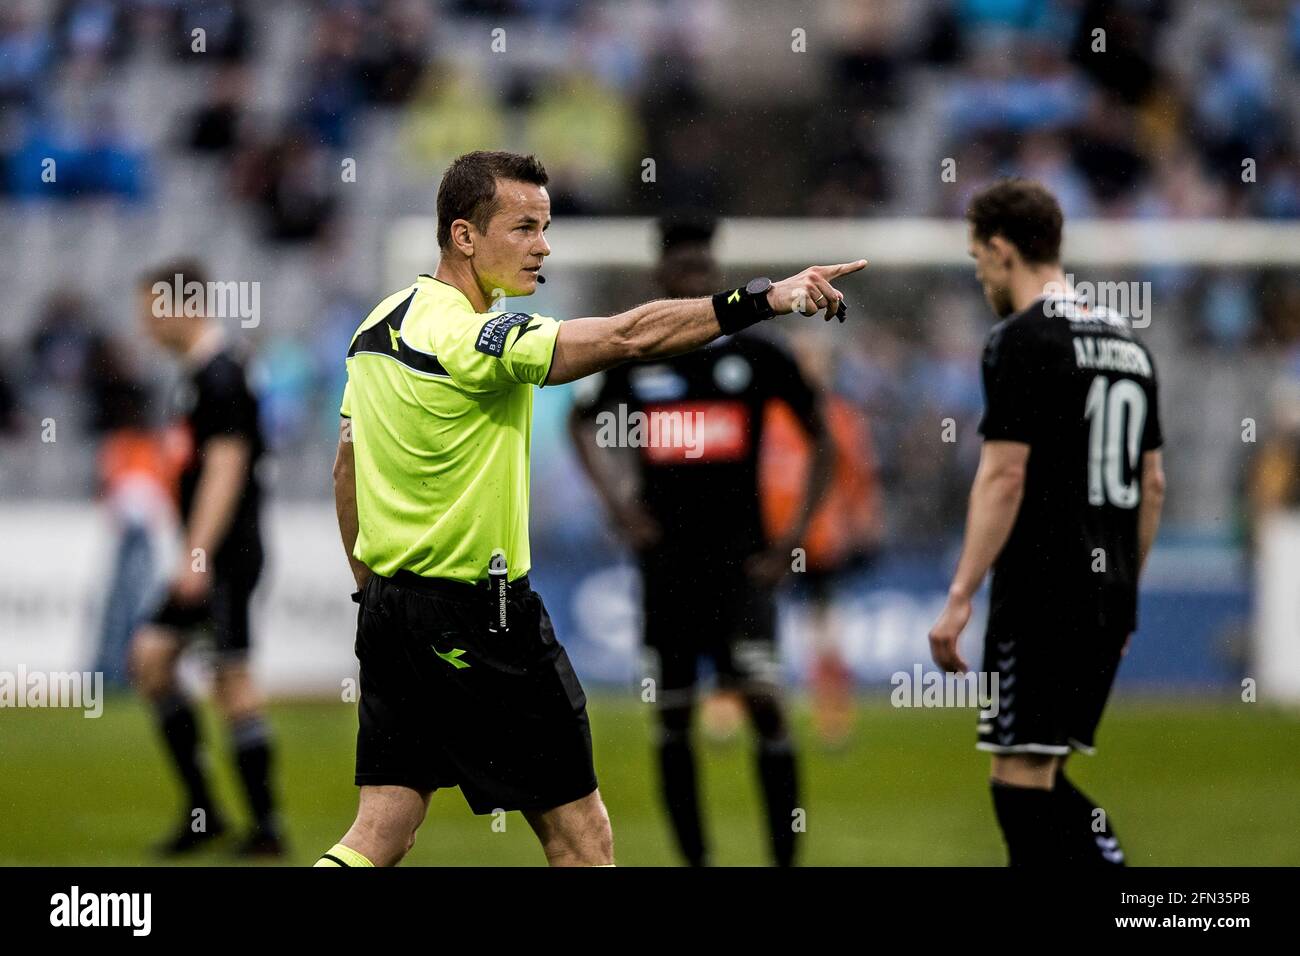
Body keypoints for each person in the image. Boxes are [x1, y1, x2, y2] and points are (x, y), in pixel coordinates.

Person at [319, 151, 865, 867]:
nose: (543, 245)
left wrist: (370, 591)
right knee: (583, 840)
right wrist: (760, 300)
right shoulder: (474, 336)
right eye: (523, 228)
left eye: (545, 228)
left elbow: (346, 468)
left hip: (392, 610)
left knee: (380, 832)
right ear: (463, 236)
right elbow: (626, 337)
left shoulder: (375, 328)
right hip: (483, 615)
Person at [568, 214, 834, 866]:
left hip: (745, 562)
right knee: (675, 718)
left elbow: (822, 440)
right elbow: (578, 422)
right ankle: (695, 862)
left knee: (767, 706)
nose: (696, 278)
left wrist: (791, 537)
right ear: (663, 277)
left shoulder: (758, 353)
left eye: (704, 269)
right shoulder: (638, 357)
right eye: (683, 270)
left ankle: (784, 860)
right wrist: (619, 508)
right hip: (667, 566)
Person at [928, 179, 1165, 866]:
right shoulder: (1130, 345)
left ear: (1003, 252)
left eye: (978, 260)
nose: (979, 277)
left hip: (1043, 589)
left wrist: (959, 595)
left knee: (1019, 780)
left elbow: (1004, 474)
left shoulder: (1019, 340)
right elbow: (1153, 484)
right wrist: (1125, 592)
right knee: (1044, 770)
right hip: (1105, 593)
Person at [129, 259, 282, 857]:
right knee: (151, 659)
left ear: (181, 305)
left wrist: (196, 554)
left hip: (227, 554)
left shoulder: (222, 375)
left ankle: (266, 828)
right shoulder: (197, 374)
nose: (144, 323)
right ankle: (205, 811)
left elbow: (226, 466)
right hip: (211, 552)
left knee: (232, 677)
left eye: (150, 310)